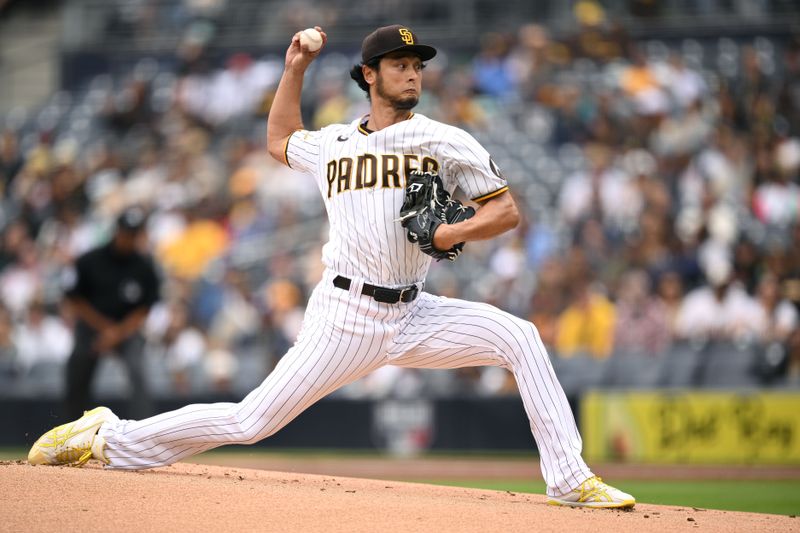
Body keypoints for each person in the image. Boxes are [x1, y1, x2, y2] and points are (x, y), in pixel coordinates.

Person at [28, 25, 634, 509]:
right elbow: (279, 139)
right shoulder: (335, 144)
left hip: (414, 309)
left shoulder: (443, 140)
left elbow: (504, 213)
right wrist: (294, 68)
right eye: (399, 64)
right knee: (251, 421)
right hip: (345, 315)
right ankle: (110, 438)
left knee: (519, 336)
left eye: (418, 64)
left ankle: (569, 479)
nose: (412, 72)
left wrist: (451, 229)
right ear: (369, 76)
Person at [62, 207, 160, 420]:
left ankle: (143, 432)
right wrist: (105, 329)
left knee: (138, 369)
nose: (129, 239)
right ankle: (72, 430)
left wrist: (117, 332)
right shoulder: (90, 260)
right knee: (77, 368)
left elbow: (145, 308)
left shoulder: (144, 266)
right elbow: (75, 299)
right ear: (117, 231)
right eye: (126, 233)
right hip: (92, 328)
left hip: (127, 331)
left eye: (134, 234)